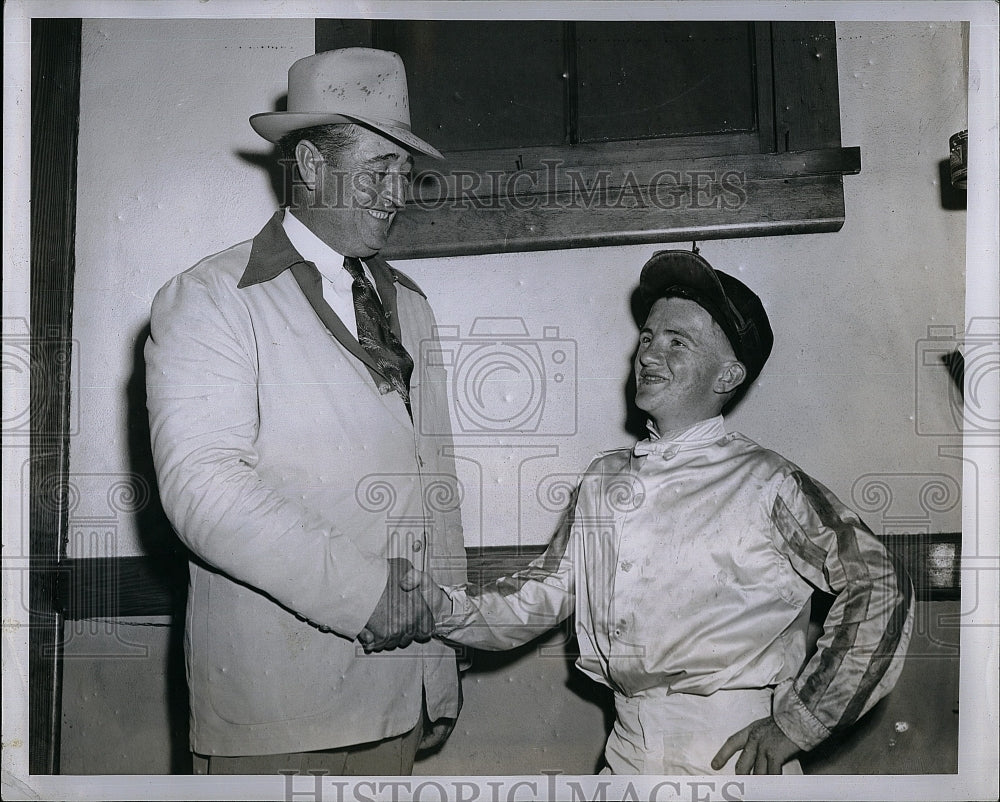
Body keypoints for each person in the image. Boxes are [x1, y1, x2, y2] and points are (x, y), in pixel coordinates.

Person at [411, 249, 914, 775]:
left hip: (732, 761)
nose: (649, 355)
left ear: (727, 376)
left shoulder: (768, 482)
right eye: (648, 338)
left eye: (679, 342)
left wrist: (799, 722)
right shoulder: (603, 479)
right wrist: (433, 610)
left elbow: (880, 584)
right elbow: (539, 597)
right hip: (626, 753)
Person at [145, 48, 467, 776]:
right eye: (377, 170)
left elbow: (434, 483)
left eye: (402, 172)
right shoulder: (210, 299)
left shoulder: (409, 306)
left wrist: (439, 663)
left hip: (399, 696)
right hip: (276, 716)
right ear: (314, 167)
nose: (398, 194)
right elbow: (203, 490)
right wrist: (363, 595)